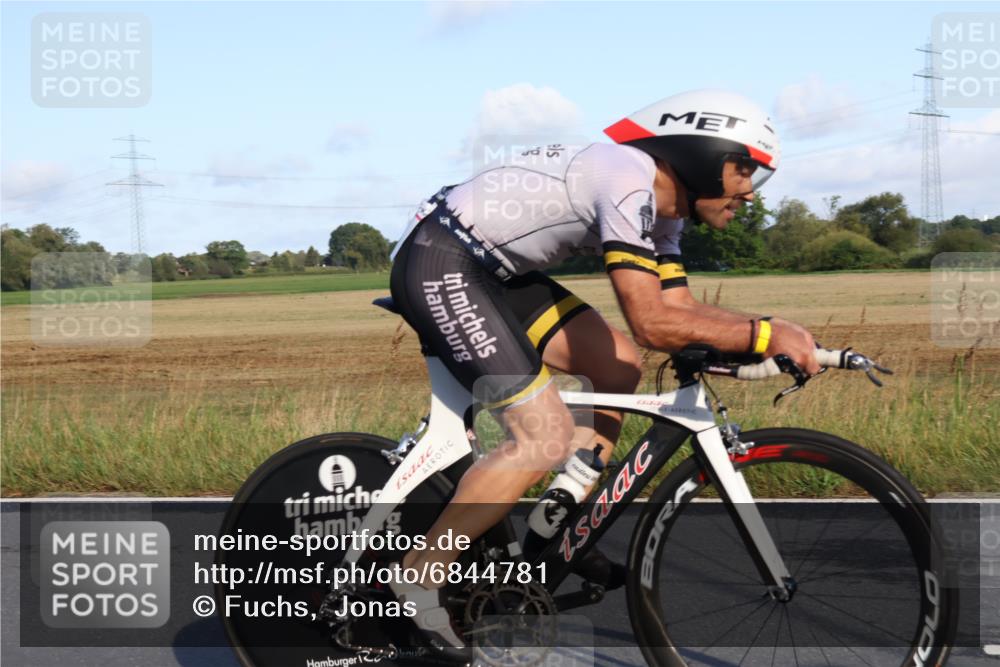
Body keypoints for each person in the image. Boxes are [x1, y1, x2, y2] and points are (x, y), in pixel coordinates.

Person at [386, 89, 820, 656]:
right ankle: (417, 578)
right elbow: (652, 319)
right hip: (443, 260)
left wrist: (753, 339)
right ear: (700, 154)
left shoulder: (665, 214)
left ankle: (561, 509)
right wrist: (765, 333)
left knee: (618, 364)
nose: (750, 191)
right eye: (745, 170)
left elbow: (682, 314)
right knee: (541, 436)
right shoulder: (625, 176)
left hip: (497, 273)